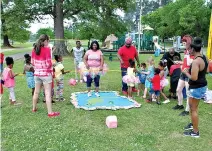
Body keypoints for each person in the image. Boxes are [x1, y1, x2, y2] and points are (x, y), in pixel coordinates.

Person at [183, 37, 208, 138]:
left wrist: (185, 72)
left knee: (193, 109)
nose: (189, 51)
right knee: (191, 106)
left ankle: (195, 132)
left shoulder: (196, 61)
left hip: (196, 87)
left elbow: (193, 77)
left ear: (193, 49)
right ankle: (193, 124)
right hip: (200, 86)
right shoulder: (204, 58)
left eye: (190, 49)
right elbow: (205, 72)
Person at [31, 34, 60, 117]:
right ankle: (50, 113)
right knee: (48, 93)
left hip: (37, 74)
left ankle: (34, 108)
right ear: (45, 41)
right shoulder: (47, 50)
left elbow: (32, 62)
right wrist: (53, 63)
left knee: (36, 92)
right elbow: (48, 64)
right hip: (46, 74)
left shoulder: (34, 49)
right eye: (48, 41)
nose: (48, 42)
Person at [172, 38, 195, 116]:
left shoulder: (192, 53)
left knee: (188, 93)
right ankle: (180, 105)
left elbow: (189, 63)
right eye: (183, 43)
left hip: (188, 74)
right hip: (183, 73)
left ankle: (187, 110)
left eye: (185, 44)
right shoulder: (186, 52)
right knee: (178, 89)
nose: (183, 45)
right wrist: (179, 62)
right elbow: (185, 62)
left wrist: (187, 54)